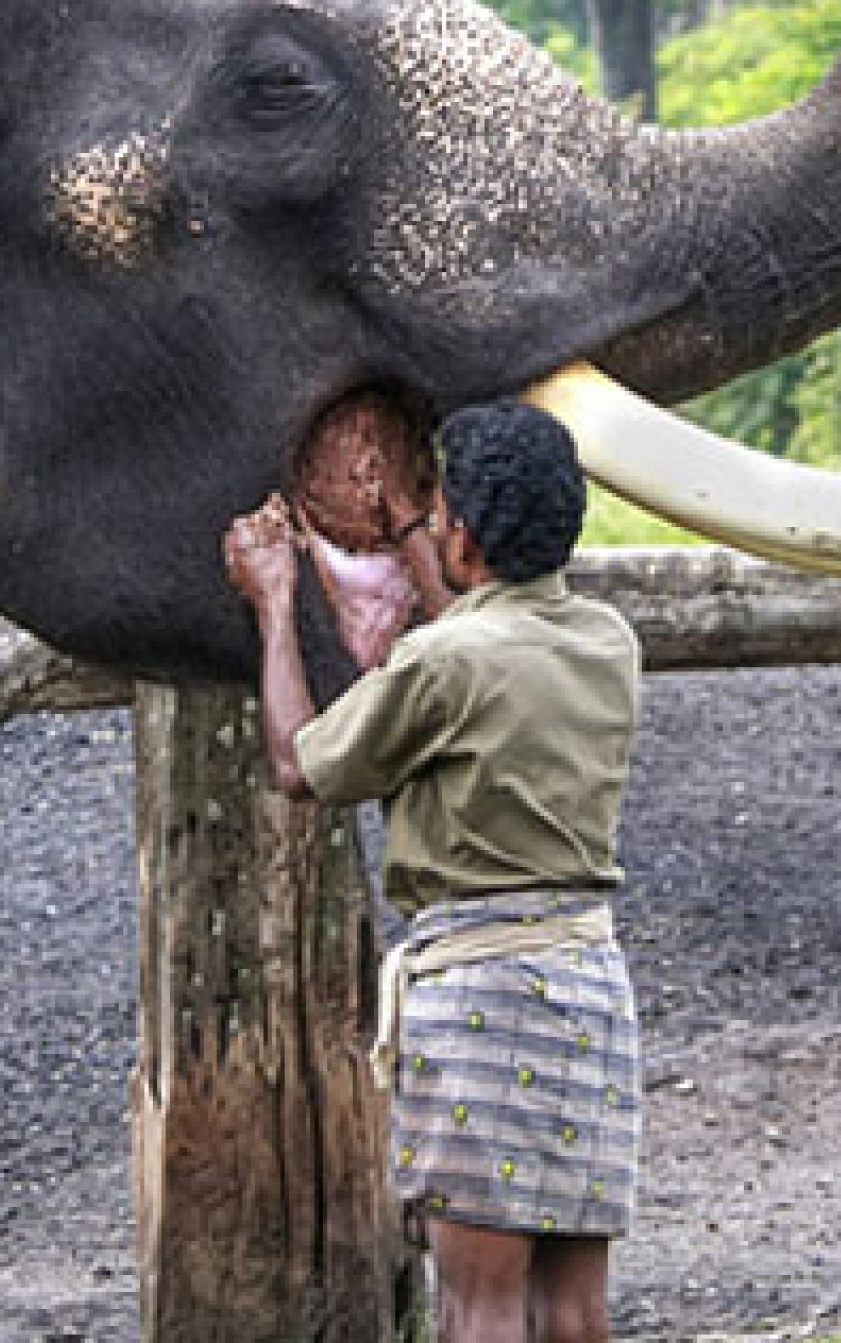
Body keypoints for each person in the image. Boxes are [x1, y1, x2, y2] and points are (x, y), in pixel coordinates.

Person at [223, 401, 643, 1343]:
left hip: (481, 994)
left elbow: (300, 763)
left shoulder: (442, 662)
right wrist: (418, 531)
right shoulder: (607, 643)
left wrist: (275, 603)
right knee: (573, 1312)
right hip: (589, 987)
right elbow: (484, 641)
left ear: (465, 532)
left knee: (478, 1306)